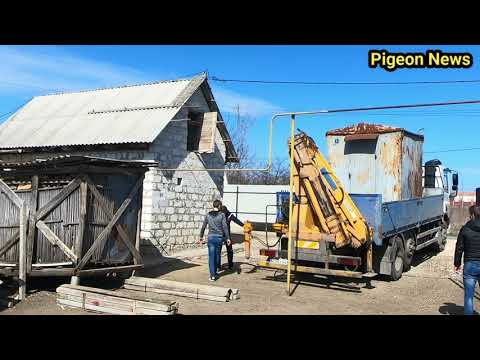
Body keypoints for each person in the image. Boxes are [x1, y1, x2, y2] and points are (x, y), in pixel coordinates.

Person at [454, 205, 480, 315]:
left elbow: (459, 247)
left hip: (470, 265)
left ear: (472, 215)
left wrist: (457, 263)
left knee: (469, 296)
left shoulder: (465, 229)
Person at [199, 200, 231, 281]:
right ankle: (217, 269)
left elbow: (203, 226)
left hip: (211, 238)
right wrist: (227, 238)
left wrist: (201, 237)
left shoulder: (208, 215)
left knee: (211, 257)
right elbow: (225, 227)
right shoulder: (222, 215)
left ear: (213, 206)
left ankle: (213, 276)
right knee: (217, 254)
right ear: (219, 206)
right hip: (219, 238)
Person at [219, 205, 245, 270]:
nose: (223, 215)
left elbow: (237, 221)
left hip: (227, 235)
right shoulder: (218, 214)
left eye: (224, 213)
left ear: (226, 212)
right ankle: (218, 266)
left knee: (229, 250)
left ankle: (230, 265)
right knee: (218, 251)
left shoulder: (230, 215)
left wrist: (244, 226)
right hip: (219, 235)